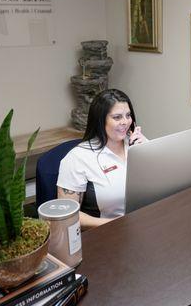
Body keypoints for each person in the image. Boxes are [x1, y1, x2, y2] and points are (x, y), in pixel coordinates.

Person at [57, 89, 148, 230]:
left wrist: (148, 149)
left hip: (145, 222)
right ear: (100, 120)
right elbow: (67, 216)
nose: (125, 122)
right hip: (108, 233)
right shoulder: (77, 158)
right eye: (117, 117)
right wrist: (114, 224)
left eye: (128, 115)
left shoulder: (138, 144)